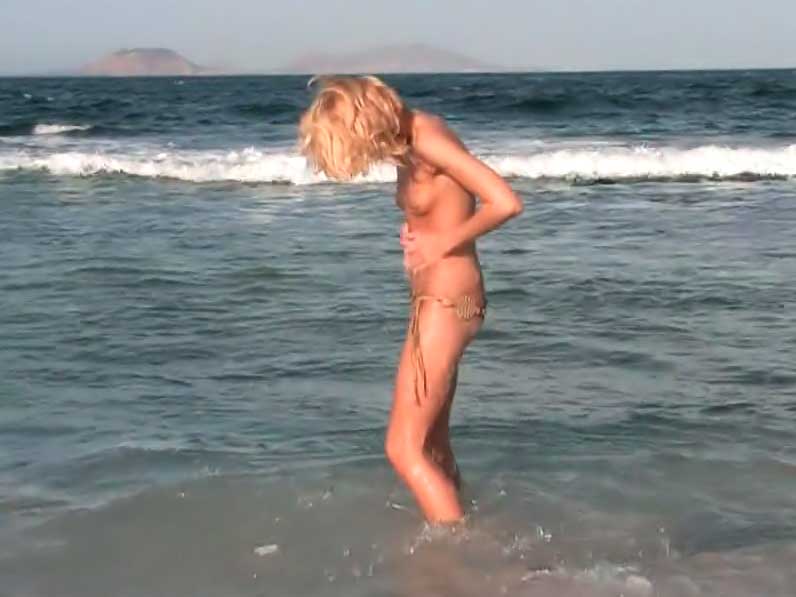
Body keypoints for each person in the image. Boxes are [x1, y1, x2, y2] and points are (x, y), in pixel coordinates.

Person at [299, 76, 522, 523]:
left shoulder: (428, 142)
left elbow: (505, 201)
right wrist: (421, 231)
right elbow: (443, 206)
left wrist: (441, 243)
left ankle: (456, 544)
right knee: (433, 444)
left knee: (402, 448)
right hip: (433, 299)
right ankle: (463, 519)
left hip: (448, 302)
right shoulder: (407, 140)